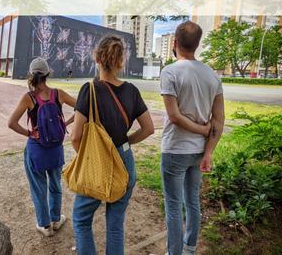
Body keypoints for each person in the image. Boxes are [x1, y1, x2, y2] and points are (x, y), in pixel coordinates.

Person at [71, 35, 155, 255]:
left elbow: (75, 137)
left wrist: (89, 159)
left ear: (96, 57)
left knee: (81, 218)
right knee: (115, 223)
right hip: (125, 161)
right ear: (121, 61)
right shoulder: (132, 90)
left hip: (98, 162)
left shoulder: (88, 89)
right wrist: (126, 142)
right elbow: (148, 129)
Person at [160, 21, 225, 255]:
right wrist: (208, 151)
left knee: (174, 207)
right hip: (198, 152)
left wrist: (201, 131)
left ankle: (175, 252)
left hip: (175, 150)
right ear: (198, 44)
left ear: (175, 43)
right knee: (192, 201)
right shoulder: (212, 76)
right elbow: (218, 120)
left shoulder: (170, 72)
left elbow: (174, 117)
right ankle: (189, 248)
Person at [8, 57, 76, 237]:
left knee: (38, 188)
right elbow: (82, 107)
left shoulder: (29, 97)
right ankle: (55, 219)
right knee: (55, 185)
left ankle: (45, 226)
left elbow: (11, 123)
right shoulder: (58, 93)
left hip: (36, 149)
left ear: (31, 75)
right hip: (55, 148)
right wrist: (66, 123)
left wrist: (30, 133)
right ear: (47, 74)